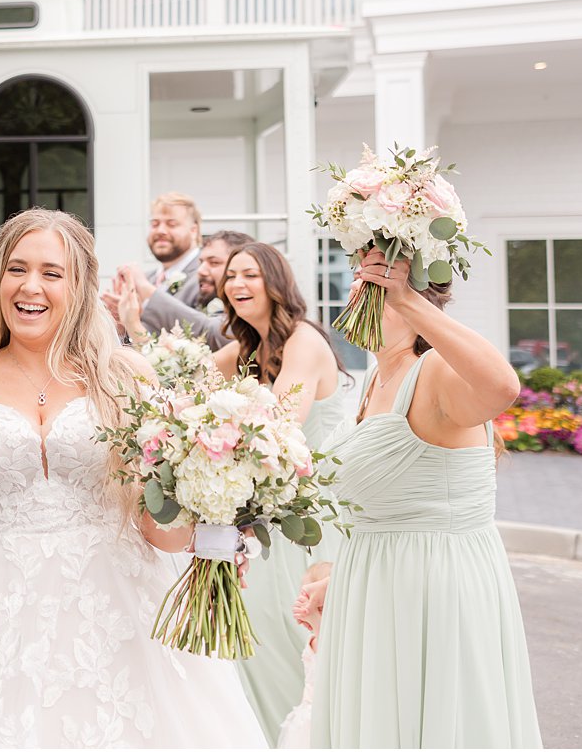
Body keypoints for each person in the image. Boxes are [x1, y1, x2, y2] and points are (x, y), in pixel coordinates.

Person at [0, 208, 267, 749]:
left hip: (123, 613)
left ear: (81, 285)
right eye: (16, 269)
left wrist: (217, 530)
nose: (30, 286)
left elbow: (155, 523)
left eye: (52, 272)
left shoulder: (125, 378)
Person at [303, 247, 541, 748]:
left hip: (432, 584)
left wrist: (407, 300)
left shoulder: (432, 371)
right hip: (376, 585)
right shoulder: (373, 380)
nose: (354, 297)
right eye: (356, 285)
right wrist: (341, 581)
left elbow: (501, 386)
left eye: (371, 290)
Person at [210, 241, 354, 745]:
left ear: (275, 282)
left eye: (249, 274)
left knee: (300, 636)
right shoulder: (243, 351)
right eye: (230, 277)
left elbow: (279, 429)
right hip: (264, 516)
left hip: (308, 520)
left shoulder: (305, 342)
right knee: (257, 639)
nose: (237, 285)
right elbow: (188, 402)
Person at [103, 193, 227, 349]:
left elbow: (208, 334)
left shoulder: (209, 276)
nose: (161, 230)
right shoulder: (147, 278)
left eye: (171, 224)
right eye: (155, 224)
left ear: (194, 230)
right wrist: (123, 325)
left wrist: (146, 289)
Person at [275, 562, 331, 750]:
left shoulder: (329, 637)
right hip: (309, 718)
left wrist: (313, 619)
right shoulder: (317, 637)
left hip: (325, 717)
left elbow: (329, 649)